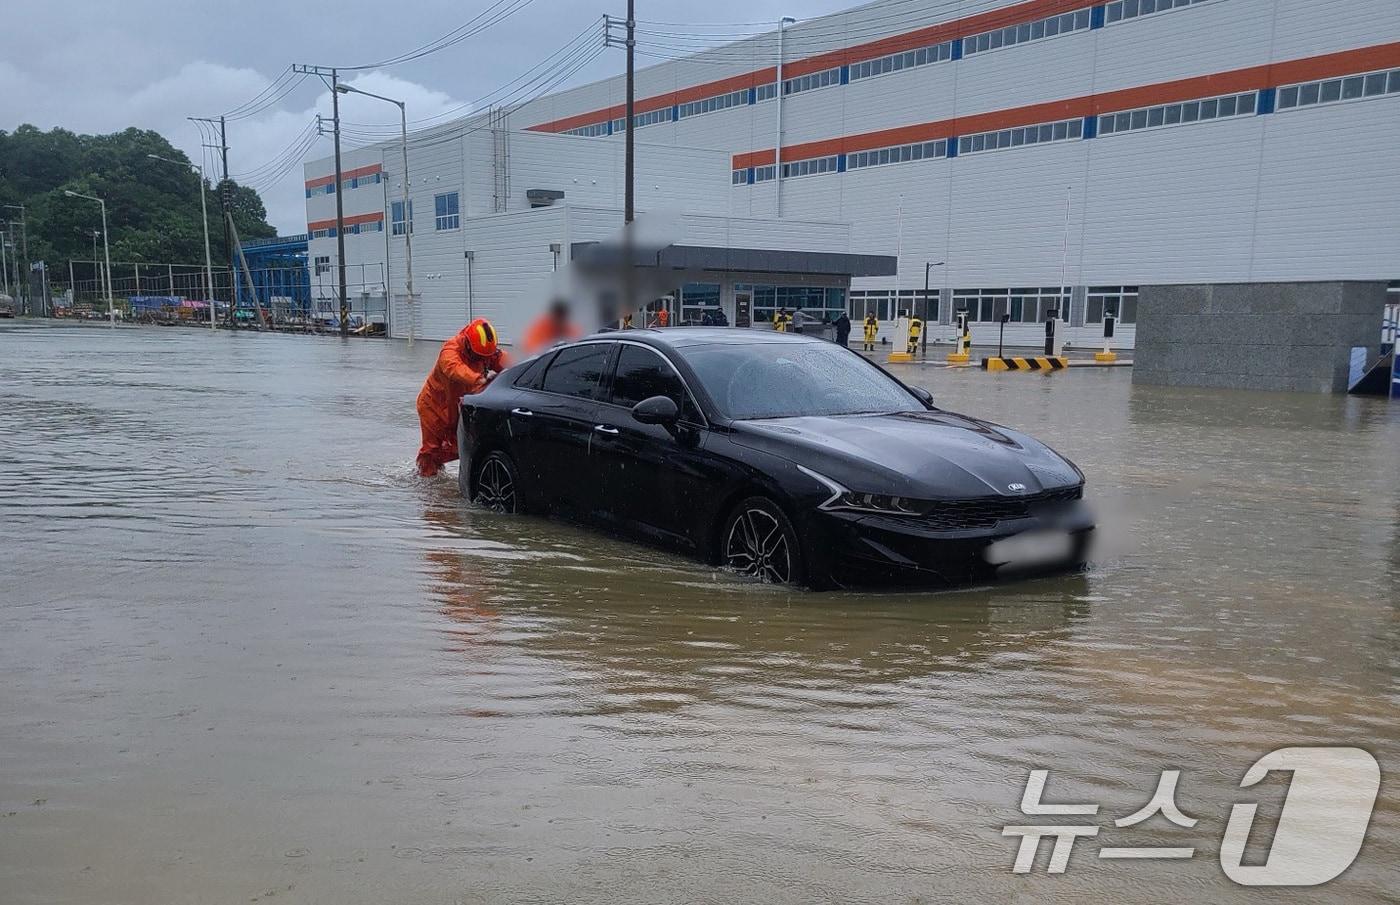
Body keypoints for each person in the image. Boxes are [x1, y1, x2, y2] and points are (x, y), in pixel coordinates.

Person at [415, 318, 510, 477]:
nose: (482, 360)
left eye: (485, 357)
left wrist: (521, 370)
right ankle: (427, 485)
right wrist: (479, 379)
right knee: (431, 450)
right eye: (478, 356)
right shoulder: (450, 350)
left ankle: (440, 471)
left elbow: (502, 360)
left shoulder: (485, 352)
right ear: (467, 344)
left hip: (458, 406)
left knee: (466, 446)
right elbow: (454, 368)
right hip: (433, 407)